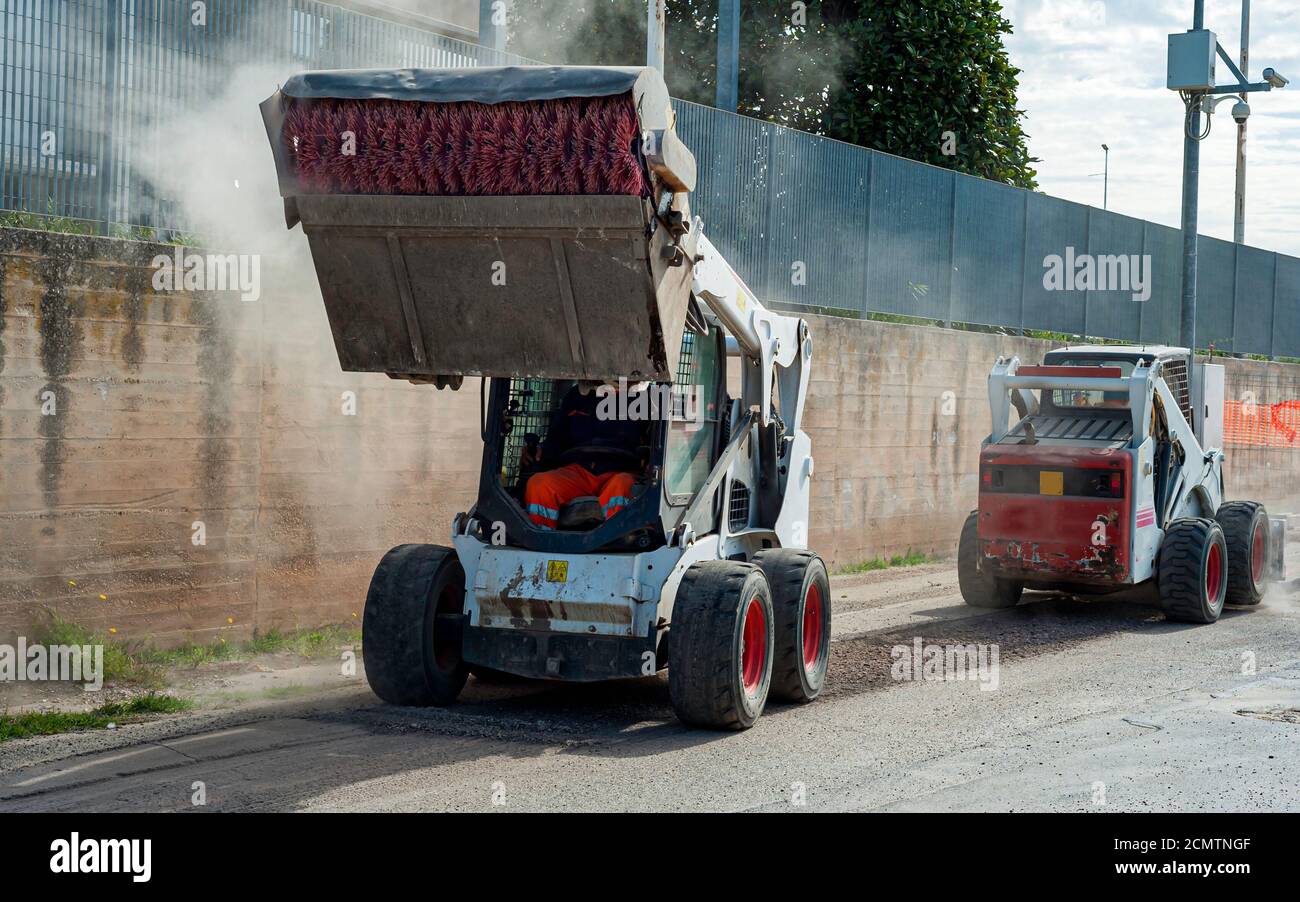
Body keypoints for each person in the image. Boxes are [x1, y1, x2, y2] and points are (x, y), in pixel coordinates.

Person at [522, 382, 649, 529]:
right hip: (578, 471)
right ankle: (541, 542)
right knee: (539, 484)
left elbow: (657, 442)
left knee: (621, 486)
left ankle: (618, 541)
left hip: (621, 471)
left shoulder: (647, 397)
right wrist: (539, 450)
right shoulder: (577, 395)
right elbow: (556, 438)